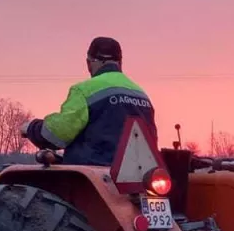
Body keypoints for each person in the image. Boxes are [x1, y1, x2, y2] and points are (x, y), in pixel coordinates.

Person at [23, 37, 157, 166]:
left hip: (95, 176)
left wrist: (31, 128)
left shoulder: (85, 90)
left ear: (91, 62)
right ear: (120, 62)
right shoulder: (141, 94)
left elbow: (58, 134)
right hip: (137, 177)